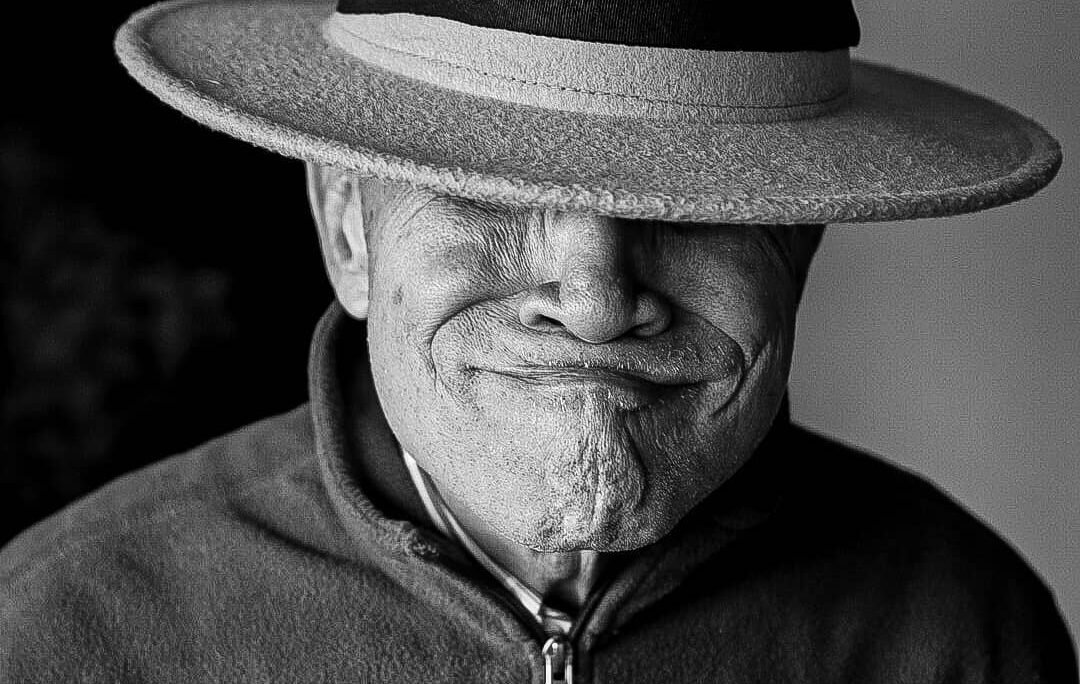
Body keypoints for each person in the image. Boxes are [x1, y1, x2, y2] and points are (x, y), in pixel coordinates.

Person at [1, 0, 1075, 681]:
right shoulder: (62, 633)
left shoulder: (961, 629)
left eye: (694, 201)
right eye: (488, 187)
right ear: (346, 228)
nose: (598, 301)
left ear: (798, 245)